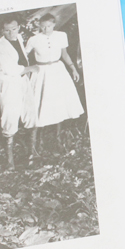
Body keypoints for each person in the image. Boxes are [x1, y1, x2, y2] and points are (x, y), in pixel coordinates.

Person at [25, 13, 84, 154]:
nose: (46, 29)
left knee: (60, 104)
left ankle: (59, 143)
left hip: (58, 71)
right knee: (39, 106)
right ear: (39, 26)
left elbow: (64, 54)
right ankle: (34, 148)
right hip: (41, 72)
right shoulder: (33, 39)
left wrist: (73, 68)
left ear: (54, 25)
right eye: (43, 27)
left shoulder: (61, 36)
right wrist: (26, 70)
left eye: (49, 26)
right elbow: (23, 56)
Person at [0, 18, 38, 168]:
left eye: (13, 29)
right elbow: (10, 69)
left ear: (18, 28)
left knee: (31, 113)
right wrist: (31, 69)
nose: (11, 33)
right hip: (9, 84)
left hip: (23, 80)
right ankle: (10, 162)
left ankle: (32, 155)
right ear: (2, 31)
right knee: (10, 117)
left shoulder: (18, 37)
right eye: (7, 30)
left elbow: (23, 57)